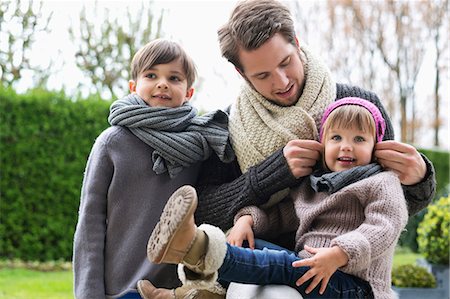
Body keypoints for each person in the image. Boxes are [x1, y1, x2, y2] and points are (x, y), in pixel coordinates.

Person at [193, 0, 435, 234]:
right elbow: (201, 211)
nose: (282, 82)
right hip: (260, 265)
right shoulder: (227, 126)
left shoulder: (361, 106)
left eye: (285, 63)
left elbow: (390, 206)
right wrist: (270, 174)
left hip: (347, 265)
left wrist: (419, 181)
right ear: (241, 73)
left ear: (297, 43)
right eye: (263, 75)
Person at [138, 97, 409, 298]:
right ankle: (183, 293)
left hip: (353, 285)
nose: (346, 146)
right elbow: (282, 215)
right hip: (313, 272)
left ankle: (197, 246)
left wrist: (339, 254)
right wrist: (247, 221)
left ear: (376, 147)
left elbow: (383, 227)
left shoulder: (381, 182)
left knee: (283, 264)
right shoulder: (314, 186)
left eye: (359, 139)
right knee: (253, 248)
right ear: (323, 143)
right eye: (336, 137)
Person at [72, 39, 234, 299]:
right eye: (151, 75)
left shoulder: (200, 145)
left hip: (175, 290)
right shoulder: (112, 143)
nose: (162, 83)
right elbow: (90, 224)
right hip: (118, 288)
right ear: (134, 87)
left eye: (174, 77)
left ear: (189, 92)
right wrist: (89, 293)